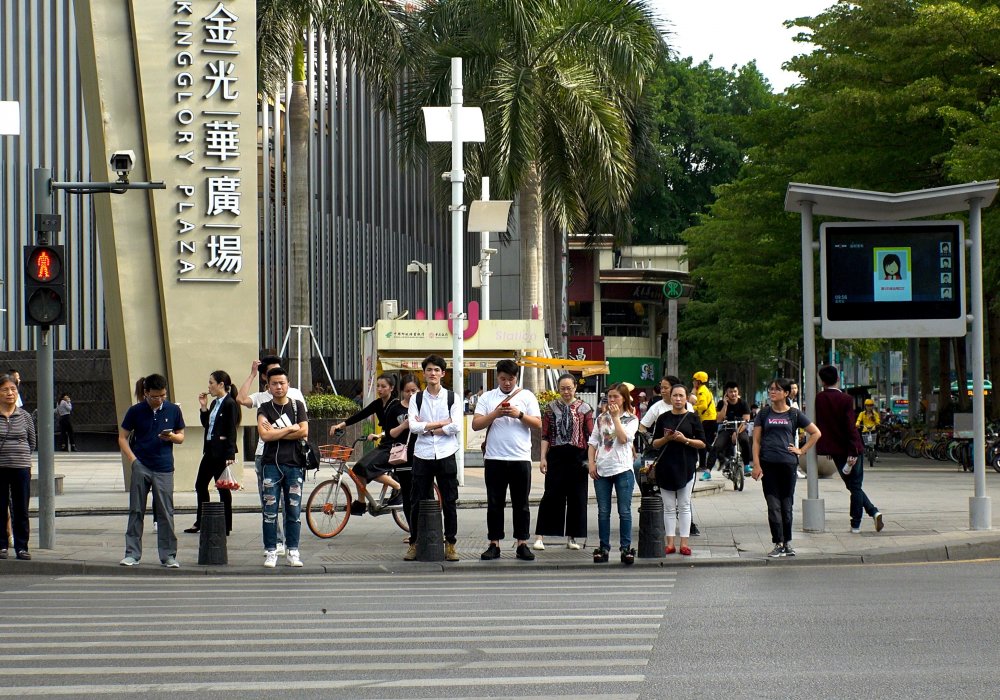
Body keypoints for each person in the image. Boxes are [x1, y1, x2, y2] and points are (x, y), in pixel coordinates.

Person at [473, 359, 543, 562]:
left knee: (521, 503)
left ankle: (522, 543)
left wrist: (518, 414)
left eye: (510, 379)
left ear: (516, 378)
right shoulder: (487, 397)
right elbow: (476, 424)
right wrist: (495, 413)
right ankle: (494, 543)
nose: (506, 383)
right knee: (494, 503)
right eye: (503, 379)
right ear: (497, 377)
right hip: (494, 457)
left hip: (520, 457)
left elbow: (537, 424)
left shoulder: (526, 396)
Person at [237, 355, 306, 556]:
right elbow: (241, 399)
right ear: (265, 380)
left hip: (292, 457)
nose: (277, 383)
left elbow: (303, 429)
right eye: (271, 376)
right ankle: (275, 543)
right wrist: (251, 374)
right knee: (269, 503)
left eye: (280, 376)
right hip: (265, 456)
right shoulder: (262, 400)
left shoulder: (295, 397)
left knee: (291, 504)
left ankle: (290, 545)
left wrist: (275, 433)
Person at [118, 374, 185, 567]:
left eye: (163, 395)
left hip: (164, 467)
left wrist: (171, 437)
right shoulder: (135, 411)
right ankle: (132, 553)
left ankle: (168, 555)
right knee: (136, 510)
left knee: (165, 512)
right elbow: (122, 437)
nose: (160, 399)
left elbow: (181, 437)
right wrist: (133, 461)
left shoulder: (173, 410)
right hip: (142, 465)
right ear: (146, 393)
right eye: (155, 396)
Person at [751, 378, 820, 558]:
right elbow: (756, 441)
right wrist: (756, 464)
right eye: (771, 389)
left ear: (786, 393)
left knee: (786, 505)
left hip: (788, 464)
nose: (772, 392)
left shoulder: (794, 414)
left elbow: (816, 433)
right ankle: (778, 542)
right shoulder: (764, 414)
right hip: (768, 464)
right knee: (773, 505)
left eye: (777, 389)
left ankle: (787, 542)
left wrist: (801, 450)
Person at [405, 354, 462, 562]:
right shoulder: (416, 398)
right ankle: (414, 542)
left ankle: (451, 544)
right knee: (417, 500)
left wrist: (427, 426)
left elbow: (456, 425)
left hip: (446, 453)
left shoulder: (452, 397)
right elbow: (414, 426)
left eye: (437, 370)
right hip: (422, 454)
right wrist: (439, 424)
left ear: (443, 374)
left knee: (449, 500)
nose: (433, 373)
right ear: (424, 373)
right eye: (429, 370)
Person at [815, 365, 884, 534]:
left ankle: (872, 512)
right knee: (856, 486)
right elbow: (850, 427)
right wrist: (854, 451)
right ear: (837, 379)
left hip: (835, 451)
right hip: (852, 448)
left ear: (822, 381)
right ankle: (857, 523)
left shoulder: (819, 399)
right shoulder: (846, 399)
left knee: (853, 487)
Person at [532, 374, 594, 552]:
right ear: (558, 389)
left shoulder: (585, 408)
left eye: (569, 388)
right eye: (563, 388)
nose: (566, 391)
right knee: (550, 495)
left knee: (577, 497)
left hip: (578, 456)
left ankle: (572, 537)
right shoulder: (550, 408)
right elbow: (545, 435)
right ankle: (540, 536)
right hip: (557, 455)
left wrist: (591, 460)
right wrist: (543, 457)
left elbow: (591, 435)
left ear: (575, 387)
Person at [256, 367, 309, 568]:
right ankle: (271, 551)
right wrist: (289, 428)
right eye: (274, 383)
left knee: (293, 511)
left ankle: (293, 550)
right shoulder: (264, 409)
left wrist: (277, 431)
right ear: (268, 386)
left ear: (288, 384)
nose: (279, 387)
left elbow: (304, 432)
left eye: (282, 383)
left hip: (294, 465)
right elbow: (265, 435)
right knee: (269, 510)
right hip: (270, 465)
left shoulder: (297, 406)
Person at [328, 374, 404, 510]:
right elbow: (361, 415)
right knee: (358, 469)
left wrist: (379, 434)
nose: (380, 389)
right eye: (378, 386)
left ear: (391, 388)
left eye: (383, 386)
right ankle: (361, 502)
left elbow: (395, 428)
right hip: (384, 444)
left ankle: (398, 487)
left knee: (367, 468)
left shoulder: (396, 405)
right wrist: (341, 425)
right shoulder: (378, 403)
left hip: (394, 446)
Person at [587, 382, 640, 565]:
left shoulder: (631, 419)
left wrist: (616, 417)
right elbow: (593, 442)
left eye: (615, 396)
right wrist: (592, 464)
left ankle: (625, 548)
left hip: (622, 469)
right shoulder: (601, 418)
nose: (611, 400)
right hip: (602, 469)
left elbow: (624, 439)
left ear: (624, 398)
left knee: (624, 511)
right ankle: (603, 547)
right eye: (609, 397)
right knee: (603, 512)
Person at [184, 370, 240, 536]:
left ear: (221, 384)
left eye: (211, 383)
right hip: (209, 450)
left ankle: (226, 525)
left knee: (223, 488)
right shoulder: (215, 403)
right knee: (200, 485)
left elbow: (231, 429)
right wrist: (203, 407)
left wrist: (230, 454)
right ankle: (201, 521)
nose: (209, 386)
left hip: (222, 453)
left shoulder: (230, 403)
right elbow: (207, 424)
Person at [651, 384, 705, 556]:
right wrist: (666, 438)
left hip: (686, 465)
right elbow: (654, 443)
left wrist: (685, 440)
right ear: (670, 397)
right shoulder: (663, 418)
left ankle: (684, 543)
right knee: (668, 507)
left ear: (687, 397)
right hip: (666, 466)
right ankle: (670, 543)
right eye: (675, 396)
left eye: (681, 396)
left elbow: (703, 443)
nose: (678, 399)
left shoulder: (693, 418)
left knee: (684, 505)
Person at [0, 373, 36, 560]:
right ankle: (1, 546)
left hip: (21, 467)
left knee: (21, 508)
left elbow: (32, 442)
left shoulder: (25, 416)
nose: (9, 393)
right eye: (5, 389)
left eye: (13, 389)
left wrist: (19, 456)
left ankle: (22, 547)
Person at [388, 374, 420, 530]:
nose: (411, 394)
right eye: (407, 391)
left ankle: (425, 530)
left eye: (414, 390)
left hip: (421, 455)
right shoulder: (395, 409)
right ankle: (413, 531)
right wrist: (404, 425)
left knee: (423, 496)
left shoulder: (424, 405)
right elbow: (390, 434)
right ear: (402, 392)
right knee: (407, 496)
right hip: (403, 457)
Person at [710, 382, 752, 477]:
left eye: (735, 391)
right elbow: (719, 419)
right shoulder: (721, 403)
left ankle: (746, 465)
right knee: (716, 446)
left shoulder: (743, 403)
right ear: (726, 393)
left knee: (745, 440)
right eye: (731, 392)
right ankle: (708, 471)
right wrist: (725, 405)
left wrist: (736, 432)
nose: (733, 394)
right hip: (726, 428)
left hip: (740, 428)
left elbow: (746, 421)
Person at [691, 371, 717, 481]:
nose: (693, 382)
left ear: (698, 381)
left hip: (708, 419)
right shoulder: (704, 390)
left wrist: (693, 407)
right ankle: (703, 464)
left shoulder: (701, 391)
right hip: (709, 419)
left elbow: (703, 405)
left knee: (702, 442)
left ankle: (717, 454)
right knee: (703, 441)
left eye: (694, 380)